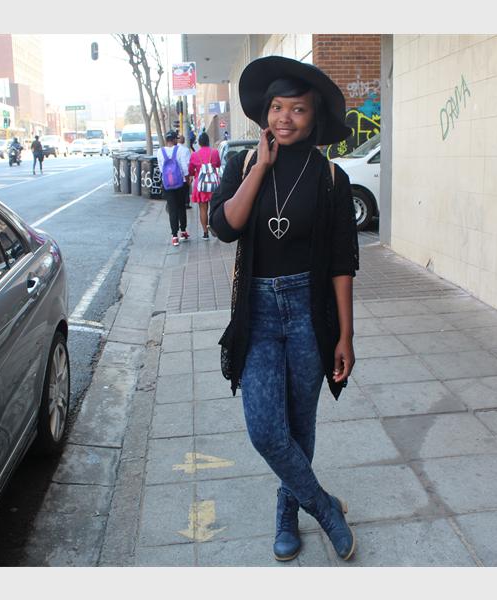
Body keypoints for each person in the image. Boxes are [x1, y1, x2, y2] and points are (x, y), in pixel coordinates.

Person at [209, 56, 359, 562]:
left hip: (308, 310)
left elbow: (341, 262)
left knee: (299, 426)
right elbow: (224, 227)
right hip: (258, 311)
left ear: (314, 119)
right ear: (264, 113)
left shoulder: (331, 177)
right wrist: (261, 168)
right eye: (277, 107)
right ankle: (324, 507)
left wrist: (345, 335)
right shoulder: (242, 164)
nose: (285, 118)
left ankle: (288, 510)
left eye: (298, 109)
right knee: (266, 429)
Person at [157, 130, 192, 246]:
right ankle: (183, 231)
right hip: (180, 183)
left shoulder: (160, 152)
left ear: (166, 140)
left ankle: (174, 236)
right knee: (181, 207)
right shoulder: (180, 150)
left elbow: (161, 168)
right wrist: (187, 179)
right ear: (174, 139)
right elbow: (184, 168)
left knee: (172, 209)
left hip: (167, 184)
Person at [188, 132, 221, 240]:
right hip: (213, 184)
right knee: (214, 208)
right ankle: (216, 229)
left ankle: (205, 233)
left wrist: (194, 174)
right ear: (208, 141)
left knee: (203, 209)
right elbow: (218, 165)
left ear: (199, 143)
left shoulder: (194, 155)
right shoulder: (214, 152)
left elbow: (190, 170)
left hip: (201, 185)